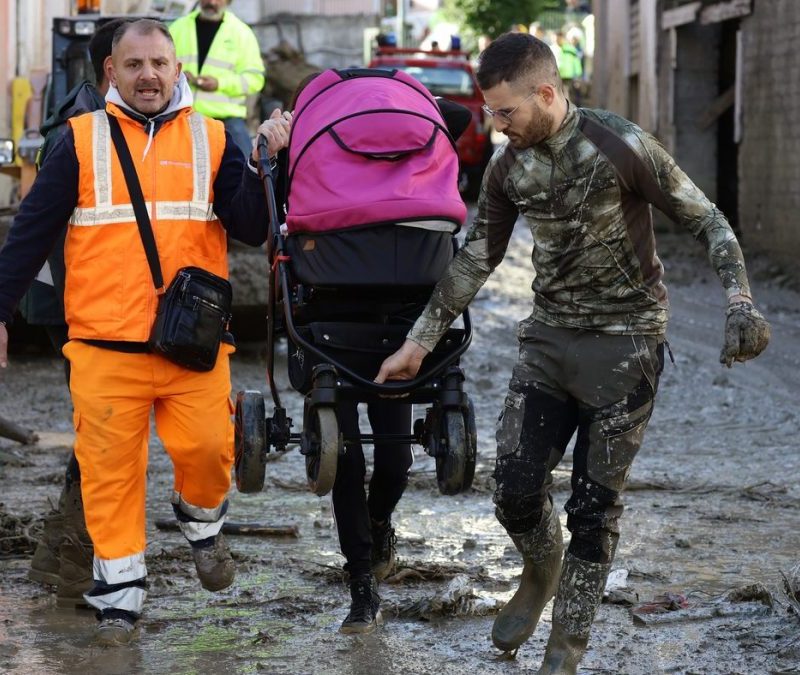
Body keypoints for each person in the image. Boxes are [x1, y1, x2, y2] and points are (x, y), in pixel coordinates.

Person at [375, 32, 770, 674]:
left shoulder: (620, 146)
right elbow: (478, 255)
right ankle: (541, 566)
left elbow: (708, 220)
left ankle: (568, 645)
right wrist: (419, 341)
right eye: (490, 114)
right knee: (512, 489)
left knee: (593, 506)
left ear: (548, 93)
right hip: (549, 341)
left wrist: (740, 301)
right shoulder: (508, 169)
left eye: (507, 113)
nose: (497, 128)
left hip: (628, 344)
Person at [0, 18, 290, 646]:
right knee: (110, 477)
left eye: (160, 64)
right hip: (104, 346)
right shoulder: (79, 140)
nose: (149, 76)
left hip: (192, 345)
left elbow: (246, 226)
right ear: (112, 70)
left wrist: (269, 161)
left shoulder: (214, 139)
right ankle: (119, 601)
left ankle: (200, 517)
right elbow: (28, 234)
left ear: (177, 69)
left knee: (211, 453)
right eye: (135, 65)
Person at [262, 73, 471, 634]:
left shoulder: (320, 123)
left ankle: (378, 526)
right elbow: (462, 120)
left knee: (397, 464)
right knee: (347, 456)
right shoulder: (302, 134)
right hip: (335, 307)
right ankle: (361, 586)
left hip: (399, 313)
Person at [25, 16, 132, 610]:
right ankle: (73, 565)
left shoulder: (79, 116)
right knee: (105, 439)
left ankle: (56, 556)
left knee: (101, 436)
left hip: (81, 306)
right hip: (89, 310)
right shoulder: (84, 130)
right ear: (111, 65)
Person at [169, 0, 265, 158]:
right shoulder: (178, 28)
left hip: (227, 122)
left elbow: (255, 79)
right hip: (182, 118)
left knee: (247, 170)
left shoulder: (241, 33)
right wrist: (178, 75)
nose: (211, 2)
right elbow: (160, 67)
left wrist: (220, 83)